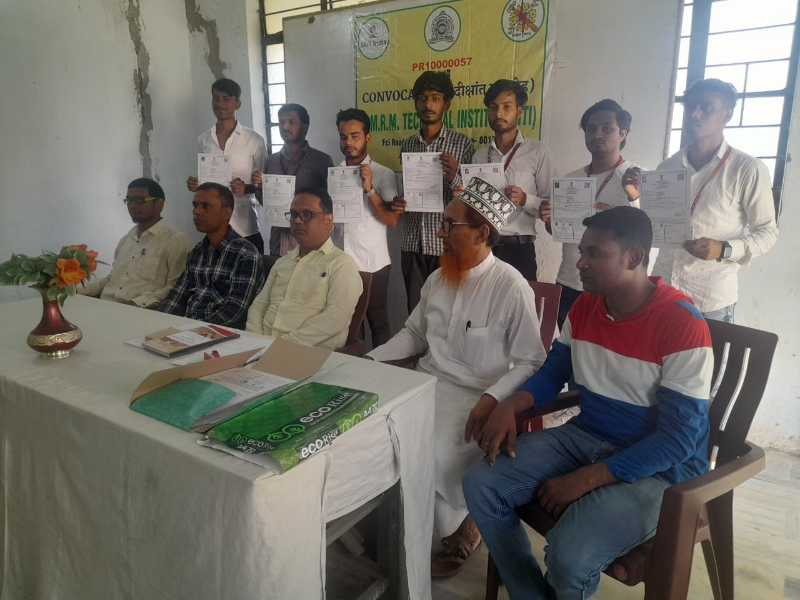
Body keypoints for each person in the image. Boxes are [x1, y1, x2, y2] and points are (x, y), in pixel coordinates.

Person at [462, 207, 713, 600]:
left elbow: (679, 440)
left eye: (595, 253)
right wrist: (510, 404)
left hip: (661, 470)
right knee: (480, 483)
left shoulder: (682, 324)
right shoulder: (585, 307)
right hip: (588, 436)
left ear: (634, 257)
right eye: (581, 252)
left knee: (569, 555)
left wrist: (588, 478)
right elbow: (553, 373)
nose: (580, 263)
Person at [367, 178, 546, 577]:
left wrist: (492, 398)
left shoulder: (510, 287)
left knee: (428, 449)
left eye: (449, 225)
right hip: (425, 383)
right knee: (375, 430)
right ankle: (390, 527)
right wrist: (371, 359)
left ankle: (452, 529)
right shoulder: (438, 277)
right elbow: (414, 335)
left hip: (476, 399)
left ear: (481, 233)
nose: (440, 234)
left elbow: (531, 361)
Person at [649, 78, 778, 323]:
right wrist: (636, 197)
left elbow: (767, 232)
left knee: (710, 352)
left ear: (727, 114)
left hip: (709, 300)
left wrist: (724, 249)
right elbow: (654, 223)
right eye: (690, 107)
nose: (695, 114)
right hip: (662, 291)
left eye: (706, 108)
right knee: (654, 350)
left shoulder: (747, 169)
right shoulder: (666, 167)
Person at [539, 99, 642, 329]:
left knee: (606, 349)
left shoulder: (637, 178)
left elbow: (646, 235)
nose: (598, 134)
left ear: (623, 133)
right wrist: (549, 221)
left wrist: (630, 200)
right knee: (567, 347)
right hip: (569, 280)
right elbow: (559, 232)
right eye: (591, 129)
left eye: (607, 128)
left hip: (612, 288)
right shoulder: (570, 180)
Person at [397, 71, 475, 312]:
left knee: (448, 312)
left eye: (435, 98)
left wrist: (453, 177)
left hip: (446, 245)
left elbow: (470, 201)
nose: (428, 105)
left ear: (446, 104)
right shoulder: (408, 145)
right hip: (412, 243)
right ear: (415, 103)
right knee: (415, 312)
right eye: (422, 98)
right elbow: (408, 189)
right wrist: (400, 202)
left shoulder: (462, 144)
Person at [246, 188, 362, 350]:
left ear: (328, 221)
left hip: (306, 353)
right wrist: (254, 341)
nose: (298, 221)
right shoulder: (282, 263)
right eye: (294, 214)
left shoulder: (341, 265)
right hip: (260, 347)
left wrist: (278, 347)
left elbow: (335, 320)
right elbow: (259, 306)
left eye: (307, 214)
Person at [471, 79, 552, 281]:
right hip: (484, 247)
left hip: (519, 251)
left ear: (519, 111)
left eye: (507, 107)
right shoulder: (479, 156)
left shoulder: (538, 152)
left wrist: (525, 199)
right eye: (493, 107)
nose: (499, 113)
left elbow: (550, 205)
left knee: (521, 301)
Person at [334, 108, 400, 347]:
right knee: (349, 324)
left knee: (378, 323)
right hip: (341, 261)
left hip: (373, 263)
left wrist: (369, 188)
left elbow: (391, 220)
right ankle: (355, 367)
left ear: (367, 138)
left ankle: (383, 370)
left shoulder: (383, 174)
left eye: (355, 136)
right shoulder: (335, 174)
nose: (349, 143)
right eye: (344, 137)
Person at [159, 183, 265, 328]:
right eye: (195, 206)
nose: (197, 212)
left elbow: (235, 310)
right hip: (187, 327)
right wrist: (160, 323)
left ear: (226, 213)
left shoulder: (245, 254)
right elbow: (177, 296)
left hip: (219, 332)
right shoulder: (197, 252)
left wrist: (193, 331)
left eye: (206, 206)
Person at [80, 178, 192, 307]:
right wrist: (77, 289)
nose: (132, 206)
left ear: (159, 203)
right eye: (129, 200)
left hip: (142, 312)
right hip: (106, 306)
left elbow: (176, 288)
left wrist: (135, 304)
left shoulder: (176, 241)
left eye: (140, 200)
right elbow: (112, 280)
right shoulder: (126, 240)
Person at [187, 78, 267, 254]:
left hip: (245, 227)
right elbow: (205, 180)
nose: (220, 104)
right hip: (213, 227)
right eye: (216, 98)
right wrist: (196, 184)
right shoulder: (203, 140)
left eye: (226, 99)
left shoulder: (254, 140)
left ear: (237, 104)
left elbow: (265, 185)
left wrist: (246, 188)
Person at [252, 104, 334, 257]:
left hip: (310, 241)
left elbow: (329, 203)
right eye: (281, 122)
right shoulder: (271, 161)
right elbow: (268, 204)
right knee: (279, 271)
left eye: (292, 122)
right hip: (279, 240)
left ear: (305, 127)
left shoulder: (322, 161)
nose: (285, 127)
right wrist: (259, 188)